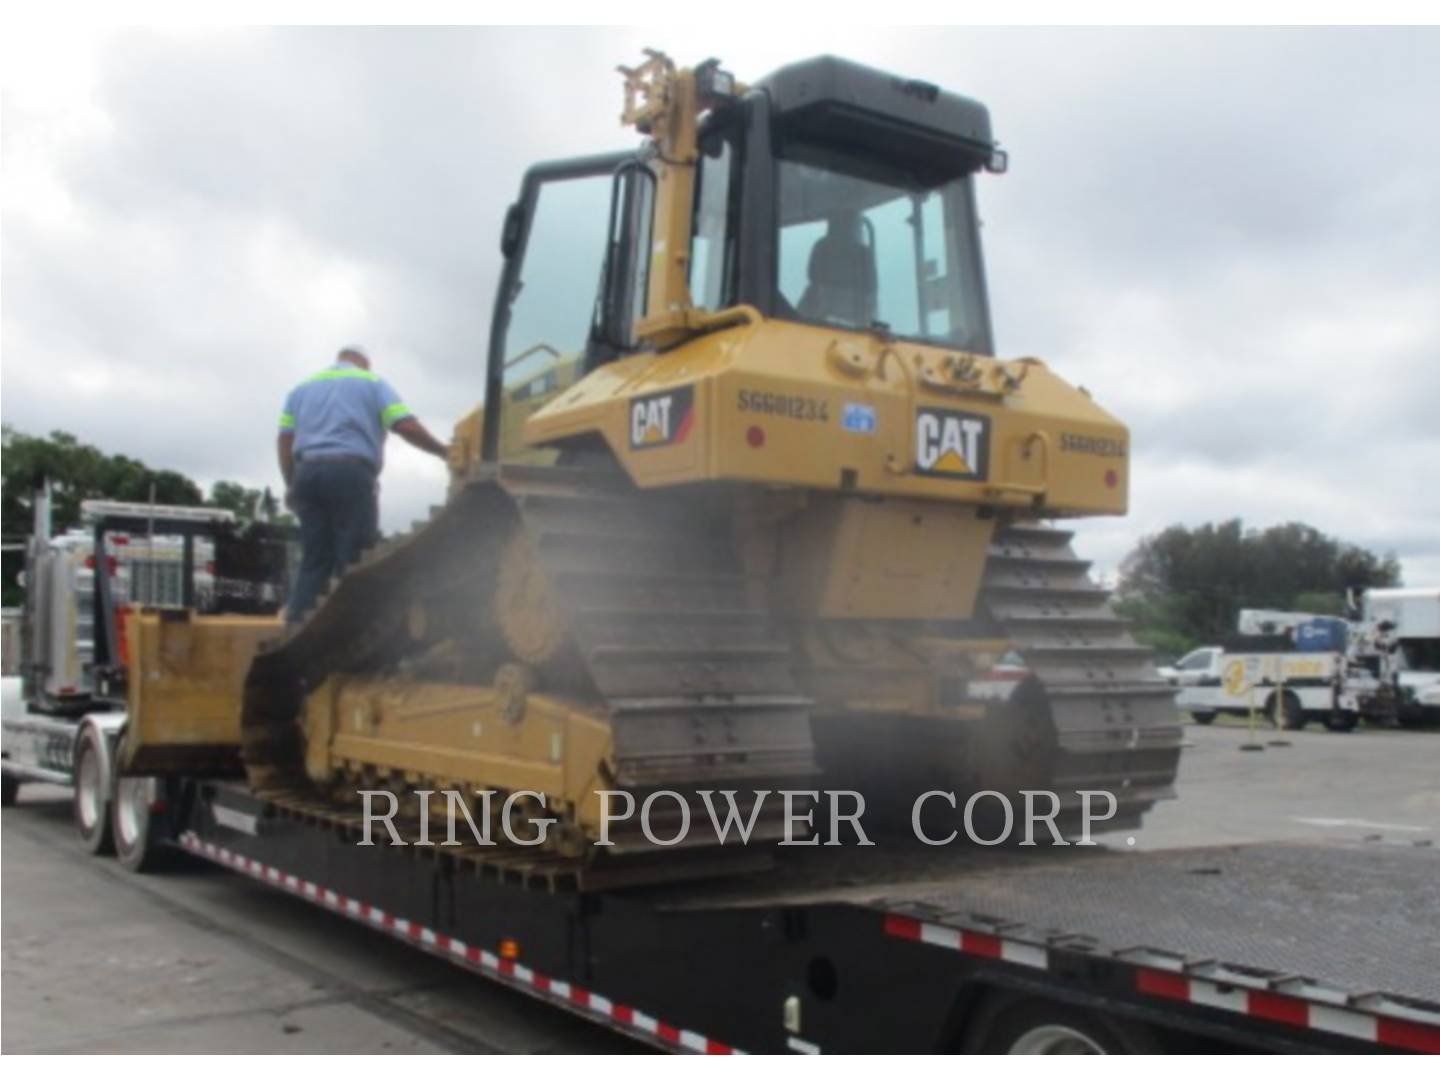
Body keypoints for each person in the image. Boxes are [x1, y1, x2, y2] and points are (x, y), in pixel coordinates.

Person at [277, 345, 448, 623]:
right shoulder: (371, 382)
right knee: (353, 558)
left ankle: (296, 630)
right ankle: (348, 630)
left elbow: (285, 440)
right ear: (364, 363)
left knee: (314, 559)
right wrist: (443, 451)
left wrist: (291, 484)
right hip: (350, 472)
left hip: (307, 474)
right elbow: (405, 426)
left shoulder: (301, 389)